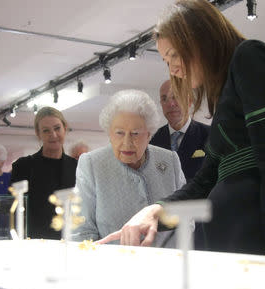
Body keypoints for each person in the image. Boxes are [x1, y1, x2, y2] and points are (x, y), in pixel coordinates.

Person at [99, 0, 265, 258]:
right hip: (238, 246)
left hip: (263, 249)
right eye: (167, 61)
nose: (174, 69)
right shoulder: (226, 92)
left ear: (199, 37)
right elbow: (205, 180)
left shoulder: (251, 56)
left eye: (174, 55)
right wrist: (155, 211)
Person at [72, 90, 186, 246]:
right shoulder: (92, 164)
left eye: (135, 133)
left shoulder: (169, 160)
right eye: (119, 133)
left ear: (149, 134)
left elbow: (186, 215)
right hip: (114, 265)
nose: (127, 142)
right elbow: (81, 231)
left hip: (167, 262)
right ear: (109, 133)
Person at [10, 107, 77, 239]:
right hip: (34, 242)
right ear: (38, 133)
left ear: (65, 128)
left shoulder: (77, 167)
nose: (53, 135)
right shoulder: (23, 166)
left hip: (69, 242)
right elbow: (13, 208)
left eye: (57, 128)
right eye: (46, 130)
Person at [150, 80, 209, 182]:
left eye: (176, 97)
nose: (170, 104)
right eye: (164, 99)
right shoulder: (152, 140)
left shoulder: (210, 134)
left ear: (189, 101)